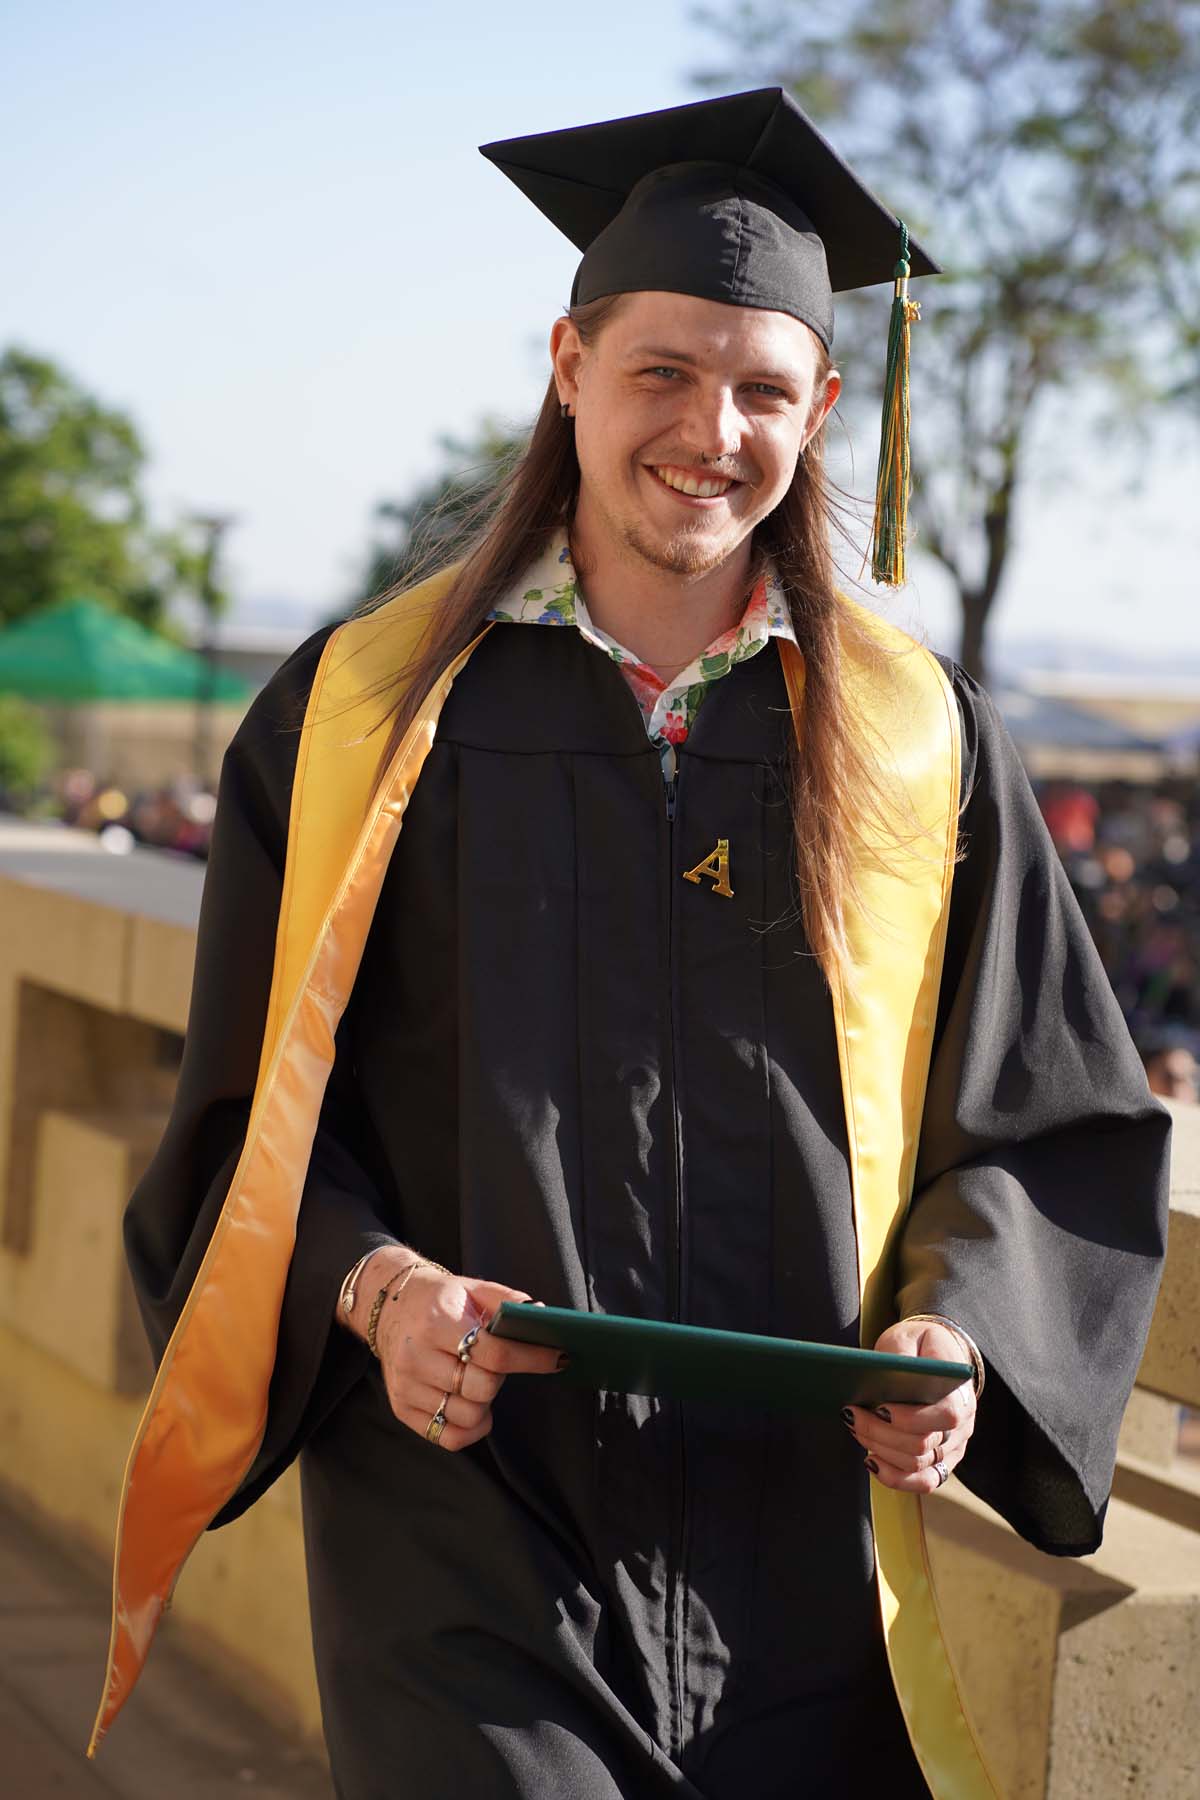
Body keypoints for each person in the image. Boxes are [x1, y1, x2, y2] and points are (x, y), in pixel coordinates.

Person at [91, 90, 1170, 1799]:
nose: (710, 429)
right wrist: (376, 1296)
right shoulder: (365, 719)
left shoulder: (914, 743)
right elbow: (247, 1133)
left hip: (799, 1563)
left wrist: (960, 1334)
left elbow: (1047, 1127)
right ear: (568, 365)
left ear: (822, 410)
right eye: (661, 371)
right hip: (470, 1536)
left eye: (760, 388)